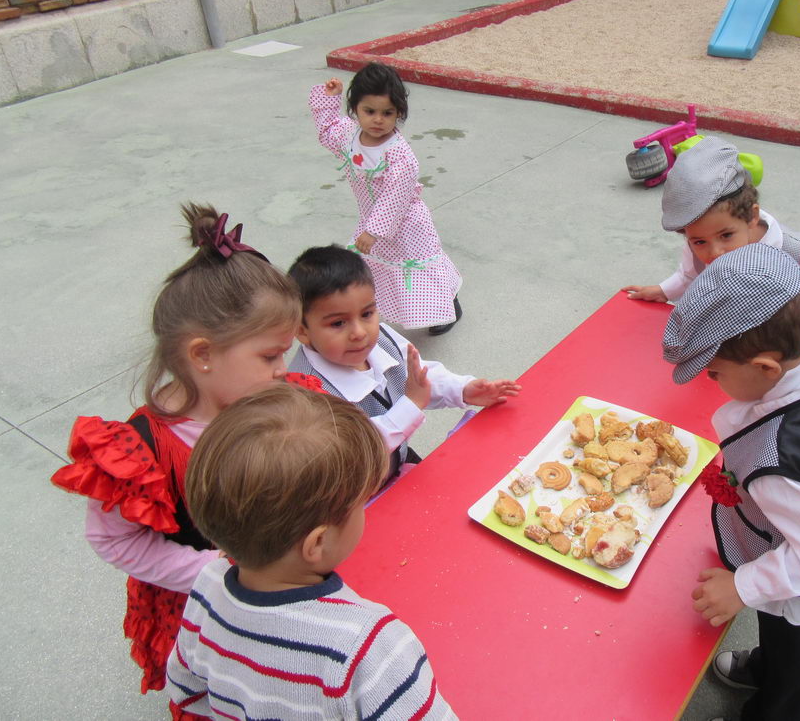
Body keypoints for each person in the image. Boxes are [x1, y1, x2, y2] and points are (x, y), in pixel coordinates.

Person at [50, 204, 315, 710]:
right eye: (269, 355)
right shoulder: (141, 451)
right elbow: (114, 541)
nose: (284, 369)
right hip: (205, 602)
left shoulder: (269, 397)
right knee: (224, 693)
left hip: (280, 577)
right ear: (203, 354)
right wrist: (211, 570)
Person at [661, 243, 800, 721]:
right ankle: (765, 664)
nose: (712, 381)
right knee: (779, 644)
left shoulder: (784, 464)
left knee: (792, 684)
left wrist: (744, 585)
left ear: (765, 368)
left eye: (714, 372)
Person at [166, 384, 458, 719]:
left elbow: (186, 691)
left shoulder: (208, 585)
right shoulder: (368, 645)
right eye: (361, 504)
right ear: (316, 544)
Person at [624, 136, 800, 375]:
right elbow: (690, 275)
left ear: (752, 216)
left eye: (726, 235)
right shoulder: (697, 245)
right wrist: (664, 291)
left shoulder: (796, 252)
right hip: (731, 353)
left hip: (783, 356)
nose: (714, 252)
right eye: (699, 241)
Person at [287, 243, 520, 483]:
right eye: (338, 323)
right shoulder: (306, 391)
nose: (359, 332)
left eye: (367, 314)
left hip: (397, 460)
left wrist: (463, 390)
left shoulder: (381, 339)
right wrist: (411, 404)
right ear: (302, 331)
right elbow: (351, 453)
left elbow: (417, 377)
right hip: (356, 496)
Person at [309, 63, 463, 335]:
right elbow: (327, 130)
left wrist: (373, 230)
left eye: (387, 113)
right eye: (369, 111)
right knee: (377, 265)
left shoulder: (399, 155)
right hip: (372, 221)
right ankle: (385, 306)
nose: (378, 120)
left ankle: (447, 306)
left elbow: (396, 196)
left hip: (406, 225)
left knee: (417, 267)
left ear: (399, 114)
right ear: (355, 109)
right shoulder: (350, 135)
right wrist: (329, 98)